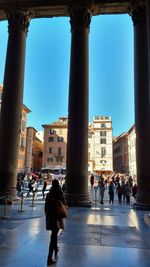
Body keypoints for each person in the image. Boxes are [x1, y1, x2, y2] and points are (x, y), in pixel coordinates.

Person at [45, 179, 66, 265]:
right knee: (54, 235)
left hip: (50, 217)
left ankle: (55, 248)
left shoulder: (49, 195)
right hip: (57, 217)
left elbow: (46, 207)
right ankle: (49, 258)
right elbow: (64, 204)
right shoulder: (60, 193)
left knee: (54, 234)